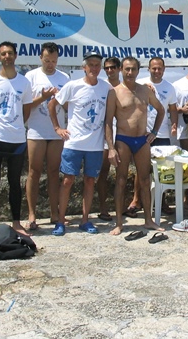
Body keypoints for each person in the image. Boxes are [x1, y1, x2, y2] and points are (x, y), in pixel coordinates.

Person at [48, 51, 112, 236]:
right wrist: (57, 128)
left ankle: (85, 220)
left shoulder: (106, 88)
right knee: (68, 181)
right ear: (84, 67)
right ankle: (60, 221)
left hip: (94, 145)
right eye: (90, 64)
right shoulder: (73, 86)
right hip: (73, 143)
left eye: (97, 65)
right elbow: (53, 104)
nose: (94, 68)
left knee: (90, 181)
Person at [0, 41, 33, 237]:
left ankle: (16, 222)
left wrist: (16, 125)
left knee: (14, 182)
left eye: (10, 53)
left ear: (16, 56)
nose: (7, 56)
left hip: (17, 140)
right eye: (3, 54)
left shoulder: (24, 82)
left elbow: (27, 110)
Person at [105, 56, 165, 236]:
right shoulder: (114, 92)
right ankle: (119, 223)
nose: (130, 73)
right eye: (126, 69)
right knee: (121, 180)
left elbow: (161, 110)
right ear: (121, 70)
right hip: (123, 139)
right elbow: (108, 122)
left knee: (145, 180)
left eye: (133, 69)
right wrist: (111, 147)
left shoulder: (145, 91)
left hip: (142, 140)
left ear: (138, 71)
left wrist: (153, 132)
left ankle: (148, 220)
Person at [24, 42, 70, 230]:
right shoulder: (31, 76)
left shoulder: (65, 77)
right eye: (47, 60)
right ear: (40, 58)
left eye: (53, 61)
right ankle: (32, 214)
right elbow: (26, 106)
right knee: (34, 172)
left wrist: (60, 97)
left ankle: (54, 213)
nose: (50, 64)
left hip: (57, 131)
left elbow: (69, 107)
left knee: (53, 172)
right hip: (36, 130)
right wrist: (43, 97)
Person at [127, 57, 179, 215]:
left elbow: (172, 109)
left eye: (159, 68)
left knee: (162, 169)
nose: (157, 71)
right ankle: (136, 201)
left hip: (161, 134)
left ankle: (161, 201)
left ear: (164, 69)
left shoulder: (169, 88)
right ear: (148, 69)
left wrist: (175, 124)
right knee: (141, 169)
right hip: (141, 133)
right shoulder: (139, 84)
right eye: (154, 68)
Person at [95, 57, 121, 222]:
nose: (110, 71)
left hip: (125, 134)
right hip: (106, 135)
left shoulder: (129, 86)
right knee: (103, 172)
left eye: (113, 67)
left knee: (123, 174)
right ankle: (103, 208)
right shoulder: (102, 87)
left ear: (119, 68)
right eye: (107, 68)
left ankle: (125, 207)